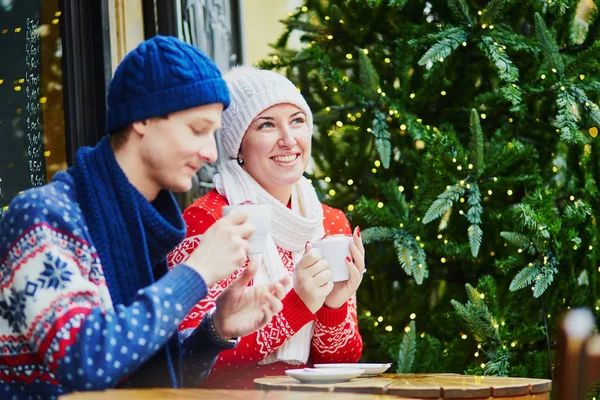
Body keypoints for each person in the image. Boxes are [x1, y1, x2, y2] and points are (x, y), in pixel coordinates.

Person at [0, 37, 289, 399]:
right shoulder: (44, 217)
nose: (211, 152)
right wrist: (195, 274)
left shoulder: (147, 228)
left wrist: (215, 330)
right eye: (198, 129)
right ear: (143, 119)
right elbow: (85, 364)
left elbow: (146, 379)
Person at [168, 66, 365, 389]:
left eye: (297, 121)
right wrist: (298, 305)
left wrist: (334, 305)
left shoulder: (329, 222)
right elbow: (192, 362)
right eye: (266, 125)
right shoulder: (210, 220)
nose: (288, 140)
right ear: (239, 146)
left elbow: (341, 362)